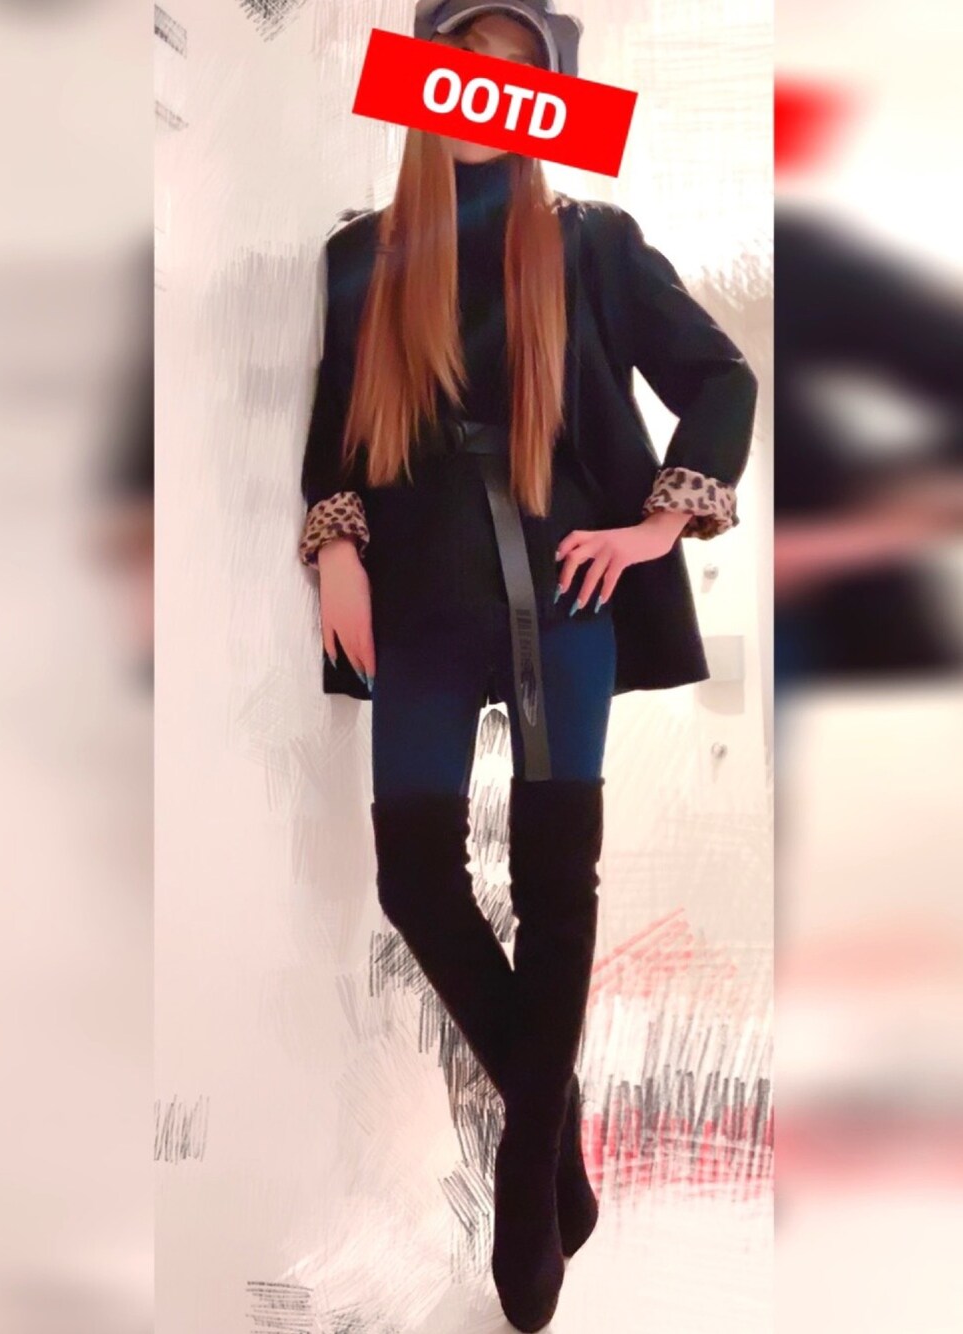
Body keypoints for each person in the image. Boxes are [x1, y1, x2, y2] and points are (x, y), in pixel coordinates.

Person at [298, 4, 757, 1328]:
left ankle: (519, 1175)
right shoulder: (361, 256)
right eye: (461, 65)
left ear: (544, 96)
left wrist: (659, 522)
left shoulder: (594, 243)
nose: (482, 91)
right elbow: (337, 429)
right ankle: (553, 1139)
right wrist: (337, 547)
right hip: (422, 595)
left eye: (512, 72)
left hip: (567, 593)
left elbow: (720, 378)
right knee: (414, 875)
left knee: (559, 888)